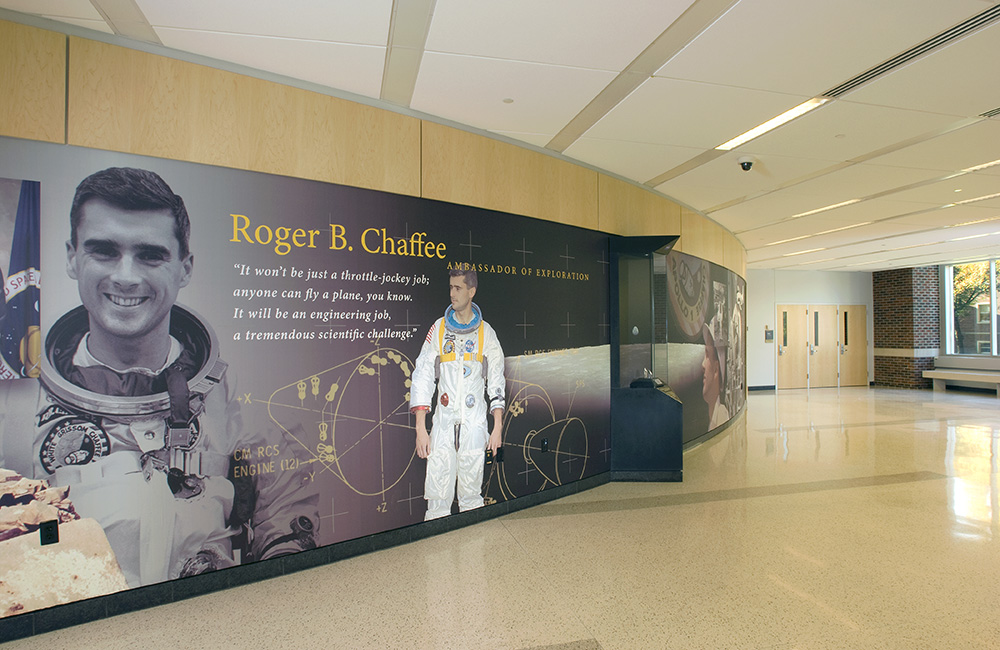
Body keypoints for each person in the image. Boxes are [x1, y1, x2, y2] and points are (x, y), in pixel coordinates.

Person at [0, 167, 318, 587]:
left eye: (150, 255)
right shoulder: (14, 411)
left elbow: (288, 527)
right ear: (72, 257)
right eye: (103, 251)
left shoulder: (241, 396)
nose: (126, 276)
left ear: (185, 268)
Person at [410, 268, 505, 520]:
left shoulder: (486, 333)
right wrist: (421, 428)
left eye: (458, 288)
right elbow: (422, 376)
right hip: (443, 426)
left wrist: (497, 427)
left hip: (474, 425)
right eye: (450, 287)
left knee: (472, 497)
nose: (452, 293)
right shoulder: (439, 329)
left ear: (471, 292)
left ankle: (473, 546)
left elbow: (497, 380)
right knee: (437, 498)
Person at [702, 319, 729, 429]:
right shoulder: (714, 420)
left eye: (707, 355)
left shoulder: (721, 419)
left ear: (716, 370)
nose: (702, 365)